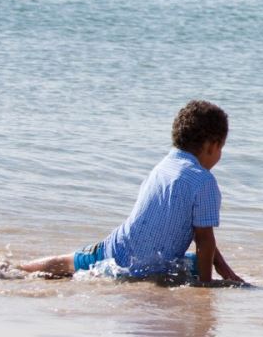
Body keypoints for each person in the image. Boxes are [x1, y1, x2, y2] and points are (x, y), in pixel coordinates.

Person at [20, 100, 246, 284]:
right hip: (136, 264)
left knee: (67, 264)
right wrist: (204, 286)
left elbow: (205, 242)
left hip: (118, 254)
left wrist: (226, 273)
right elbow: (204, 240)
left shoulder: (165, 165)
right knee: (69, 265)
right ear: (212, 146)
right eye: (221, 148)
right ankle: (15, 270)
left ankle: (12, 270)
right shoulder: (204, 181)